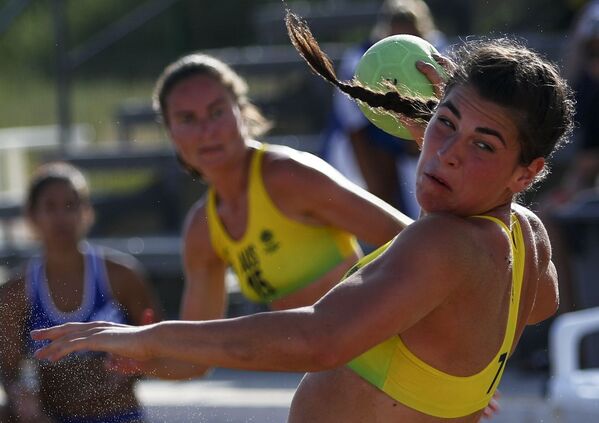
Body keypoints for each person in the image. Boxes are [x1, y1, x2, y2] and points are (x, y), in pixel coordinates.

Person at [30, 10, 574, 422]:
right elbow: (532, 303)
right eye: (445, 123)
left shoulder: (437, 239)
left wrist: (151, 338)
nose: (448, 150)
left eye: (484, 146)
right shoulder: (523, 234)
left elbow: (322, 338)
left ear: (527, 172)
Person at [102, 52, 410, 380]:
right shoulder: (202, 229)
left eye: (217, 111)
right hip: (334, 375)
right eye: (188, 119)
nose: (206, 130)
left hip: (394, 357)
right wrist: (143, 360)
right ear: (171, 133)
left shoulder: (287, 176)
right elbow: (196, 359)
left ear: (242, 111)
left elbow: (417, 239)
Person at [0, 162, 163, 423]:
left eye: (70, 205)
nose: (61, 218)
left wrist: (134, 362)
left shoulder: (122, 277)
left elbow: (161, 349)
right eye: (50, 207)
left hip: (119, 415)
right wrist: (22, 397)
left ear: (87, 212)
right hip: (54, 417)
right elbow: (10, 371)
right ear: (31, 217)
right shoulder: (16, 293)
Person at [322, 0, 445, 218]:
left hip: (418, 135)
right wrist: (378, 196)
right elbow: (354, 129)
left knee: (420, 211)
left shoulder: (440, 55)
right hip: (369, 137)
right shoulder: (358, 60)